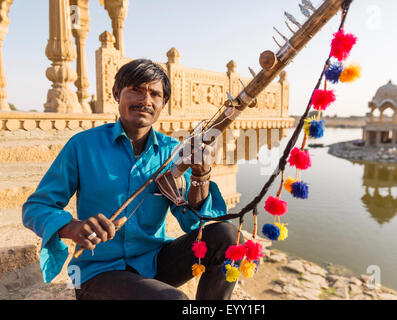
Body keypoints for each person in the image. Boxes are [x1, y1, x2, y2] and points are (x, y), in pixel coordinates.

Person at [22, 59, 241, 300]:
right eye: (136, 90)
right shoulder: (83, 145)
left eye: (155, 94)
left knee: (228, 237)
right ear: (117, 93)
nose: (145, 100)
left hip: (153, 262)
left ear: (163, 104)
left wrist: (201, 175)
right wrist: (73, 227)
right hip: (99, 271)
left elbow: (192, 222)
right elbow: (36, 208)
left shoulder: (173, 152)